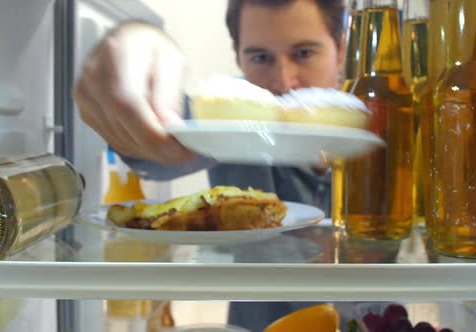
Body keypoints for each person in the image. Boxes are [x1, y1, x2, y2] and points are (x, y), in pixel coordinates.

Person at [74, 0, 348, 330]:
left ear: (341, 49)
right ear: (238, 56)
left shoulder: (392, 117)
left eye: (304, 53)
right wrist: (137, 47)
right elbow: (158, 148)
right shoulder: (228, 113)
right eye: (260, 57)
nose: (284, 81)